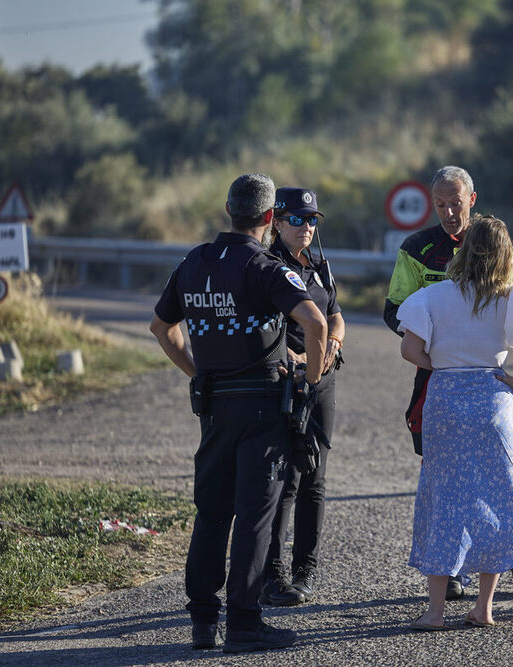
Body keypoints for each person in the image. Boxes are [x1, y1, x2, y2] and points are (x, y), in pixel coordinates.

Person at [149, 174, 327, 653]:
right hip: (261, 409)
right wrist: (310, 384)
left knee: (211, 514)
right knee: (254, 515)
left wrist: (198, 371)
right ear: (270, 218)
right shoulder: (265, 266)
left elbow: (161, 327)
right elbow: (315, 322)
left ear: (229, 210)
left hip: (215, 406)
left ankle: (204, 621)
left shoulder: (193, 263)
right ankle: (245, 623)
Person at [383, 165, 513, 599]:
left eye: (456, 203)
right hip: (438, 378)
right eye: (440, 204)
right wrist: (441, 350)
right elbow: (393, 310)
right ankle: (452, 569)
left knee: (500, 476)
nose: (449, 212)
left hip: (473, 377)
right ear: (431, 201)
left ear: (472, 199)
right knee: (447, 475)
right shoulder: (417, 248)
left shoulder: (496, 245)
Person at [260, 186, 345, 606]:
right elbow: (264, 326)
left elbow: (335, 317)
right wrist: (296, 356)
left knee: (316, 479)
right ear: (276, 221)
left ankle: (304, 571)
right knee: (286, 480)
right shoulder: (268, 266)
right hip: (288, 382)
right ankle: (272, 574)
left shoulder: (318, 267)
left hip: (323, 380)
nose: (306, 227)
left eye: (312, 220)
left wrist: (334, 345)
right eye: (297, 219)